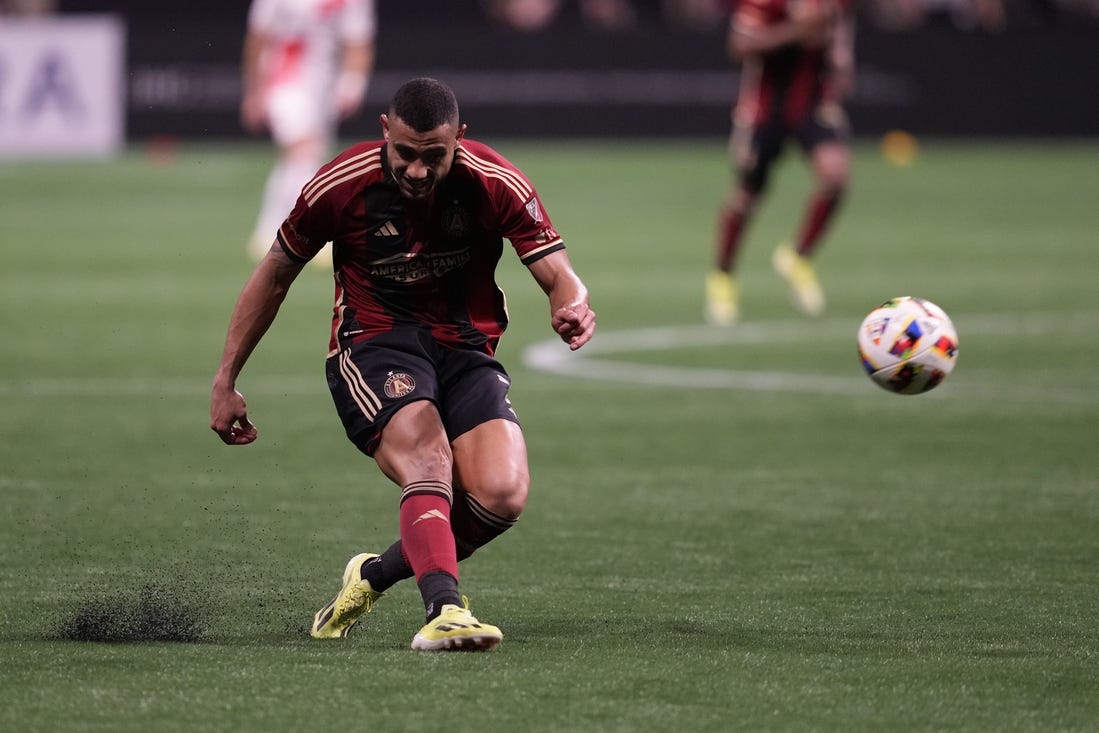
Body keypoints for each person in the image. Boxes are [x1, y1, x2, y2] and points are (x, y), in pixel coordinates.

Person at [210, 78, 596, 652]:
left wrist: (571, 303)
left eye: (434, 157)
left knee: (502, 495)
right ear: (385, 133)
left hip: (463, 349)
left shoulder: (494, 181)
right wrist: (226, 378)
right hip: (372, 344)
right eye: (406, 154)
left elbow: (559, 270)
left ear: (459, 141)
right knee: (428, 456)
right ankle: (445, 609)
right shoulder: (340, 184)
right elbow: (274, 274)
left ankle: (371, 577)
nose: (418, 170)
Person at [705, 0, 855, 325]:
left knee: (835, 175)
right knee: (747, 195)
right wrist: (795, 31)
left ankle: (797, 255)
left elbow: (839, 19)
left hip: (813, 103)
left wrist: (842, 53)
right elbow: (740, 44)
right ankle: (723, 278)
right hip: (765, 108)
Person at [240, 0, 377, 263]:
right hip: (284, 79)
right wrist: (254, 91)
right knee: (304, 150)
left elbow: (359, 41)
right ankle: (309, 234)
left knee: (306, 158)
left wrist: (352, 84)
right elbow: (258, 37)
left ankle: (266, 231)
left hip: (323, 86)